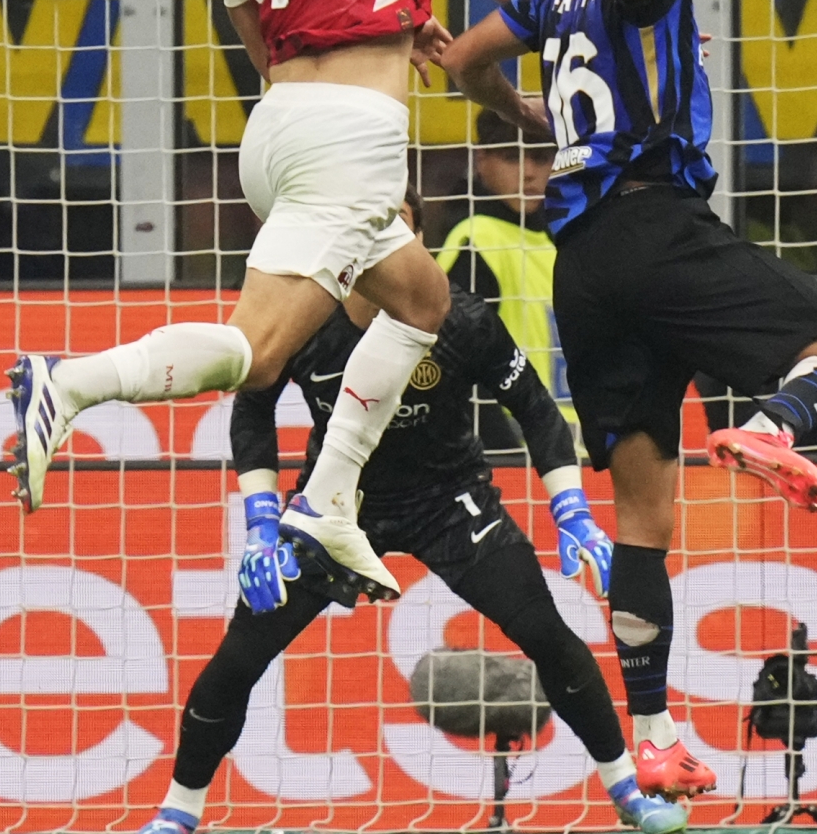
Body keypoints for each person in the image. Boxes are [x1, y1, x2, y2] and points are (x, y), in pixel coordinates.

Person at [6, 0, 545, 610]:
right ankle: (70, 382)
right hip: (353, 135)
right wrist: (598, 2)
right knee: (259, 357)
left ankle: (330, 500)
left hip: (280, 120)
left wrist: (394, 23)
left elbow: (267, 44)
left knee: (421, 300)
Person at [438, 0, 817, 799]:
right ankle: (777, 424)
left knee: (644, 518)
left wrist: (535, 119)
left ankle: (653, 734)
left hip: (585, 266)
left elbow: (468, 59)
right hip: (658, 225)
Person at [134, 191, 686, 834]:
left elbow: (537, 409)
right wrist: (260, 524)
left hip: (449, 503)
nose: (383, 227)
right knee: (237, 660)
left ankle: (627, 792)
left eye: (398, 217)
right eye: (370, 214)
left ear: (415, 238)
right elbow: (252, 410)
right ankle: (179, 811)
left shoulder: (460, 319)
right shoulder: (303, 319)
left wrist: (573, 511)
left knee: (547, 635)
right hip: (334, 507)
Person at [438, 110, 568, 415]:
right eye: (512, 157)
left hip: (573, 445)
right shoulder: (475, 240)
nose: (528, 172)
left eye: (540, 158)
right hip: (511, 447)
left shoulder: (559, 238)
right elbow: (453, 363)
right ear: (482, 160)